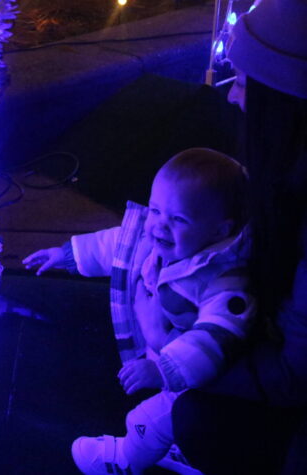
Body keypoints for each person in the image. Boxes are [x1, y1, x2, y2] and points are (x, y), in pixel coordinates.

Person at [23, 147, 254, 474]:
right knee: (159, 415)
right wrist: (66, 255)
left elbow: (217, 336)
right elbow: (119, 245)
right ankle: (181, 449)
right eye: (157, 210)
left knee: (149, 419)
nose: (159, 225)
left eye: (178, 219)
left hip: (200, 374)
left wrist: (165, 370)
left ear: (219, 230)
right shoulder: (166, 240)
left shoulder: (224, 279)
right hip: (168, 351)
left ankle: (124, 459)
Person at [170, 0, 307, 473]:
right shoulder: (285, 177)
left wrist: (183, 361)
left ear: (285, 103)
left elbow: (296, 376)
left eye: (245, 82)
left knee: (196, 420)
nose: (231, 96)